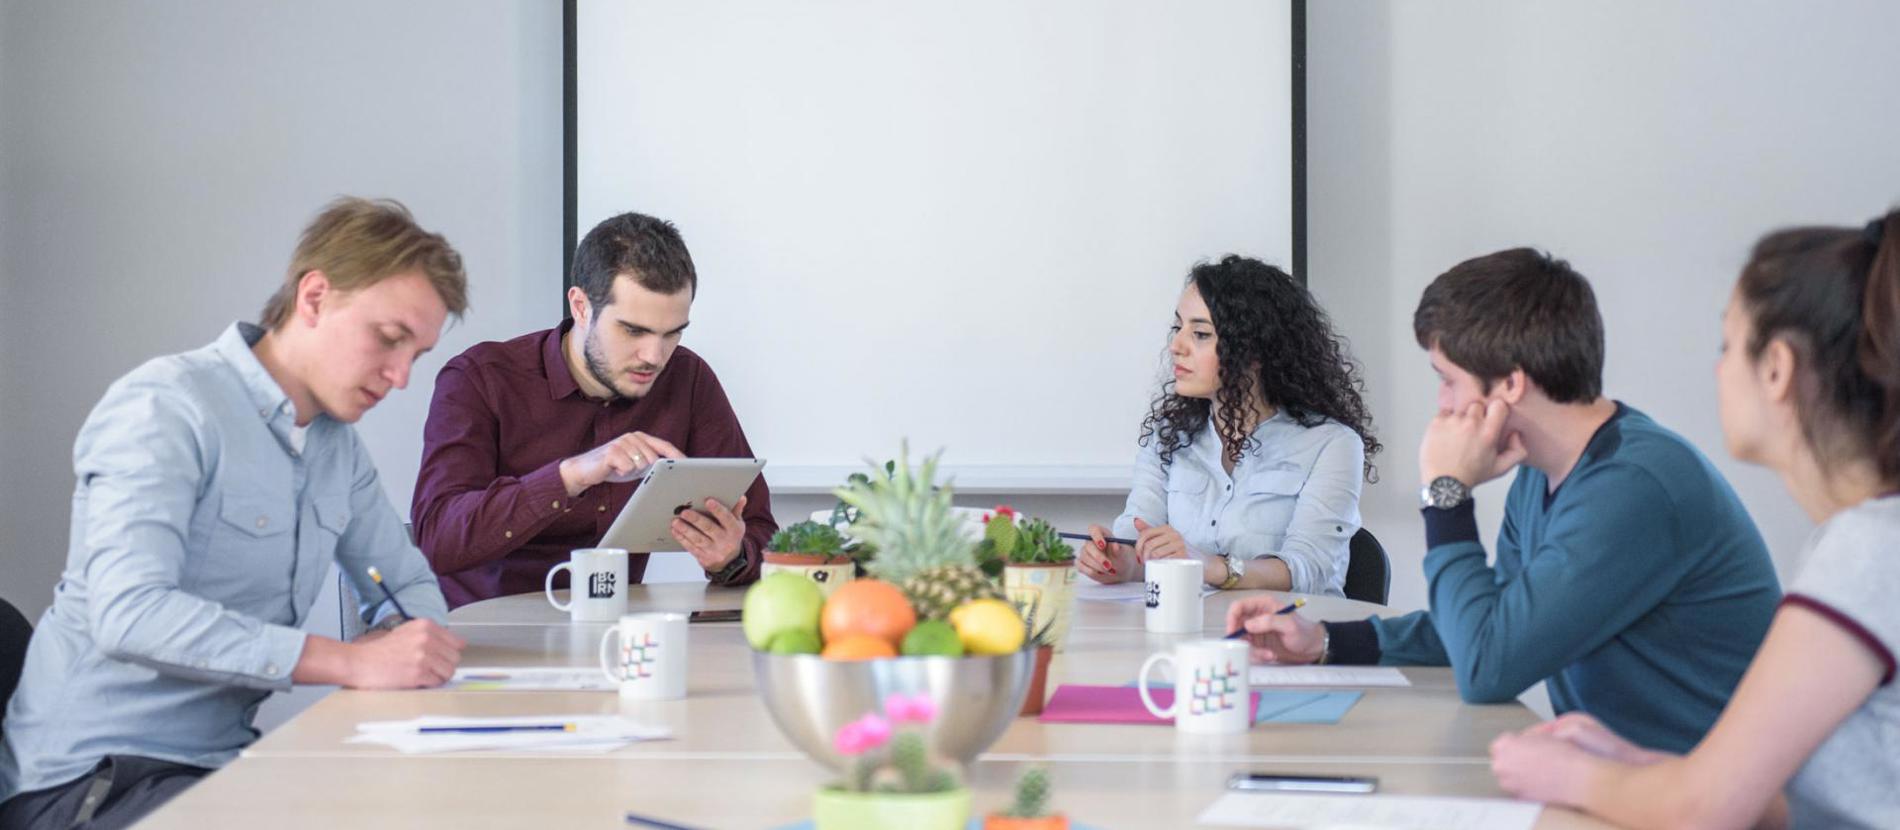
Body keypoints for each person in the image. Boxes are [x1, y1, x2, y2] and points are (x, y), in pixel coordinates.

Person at [0, 198, 469, 829]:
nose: (401, 376)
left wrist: (411, 640)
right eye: (389, 340)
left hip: (220, 764)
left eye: (417, 355)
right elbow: (128, 612)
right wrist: (352, 660)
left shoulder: (335, 448)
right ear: (314, 297)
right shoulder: (165, 407)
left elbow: (408, 584)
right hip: (93, 782)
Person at [1227, 248, 1781, 754]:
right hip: (1626, 782)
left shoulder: (1634, 486)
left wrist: (1446, 495)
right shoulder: (1541, 476)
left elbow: (1487, 667)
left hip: (1701, 796)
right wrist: (1323, 640)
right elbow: (1488, 626)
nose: (1442, 405)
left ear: (1510, 385)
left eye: (1447, 380)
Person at [1489, 211, 1900, 829]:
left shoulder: (1868, 550)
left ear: (1777, 369)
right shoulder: (1861, 543)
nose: (1717, 368)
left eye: (1727, 344)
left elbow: (1701, 812)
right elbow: (1827, 803)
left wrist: (1570, 775)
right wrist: (1637, 768)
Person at [412, 211, 775, 608]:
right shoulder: (480, 379)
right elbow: (437, 539)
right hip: (486, 635)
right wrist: (571, 475)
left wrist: (732, 556)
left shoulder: (687, 379)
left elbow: (761, 532)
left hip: (618, 635)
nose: (654, 356)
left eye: (672, 333)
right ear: (581, 307)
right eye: (633, 331)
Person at [1075, 255, 1379, 595]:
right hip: (1187, 632)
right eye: (1179, 328)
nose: (1176, 346)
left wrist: (1212, 567)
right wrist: (1122, 561)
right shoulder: (1167, 437)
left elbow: (1313, 568)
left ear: (1254, 350)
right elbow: (1139, 530)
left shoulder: (1332, 444)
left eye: (1201, 333)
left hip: (1289, 635)